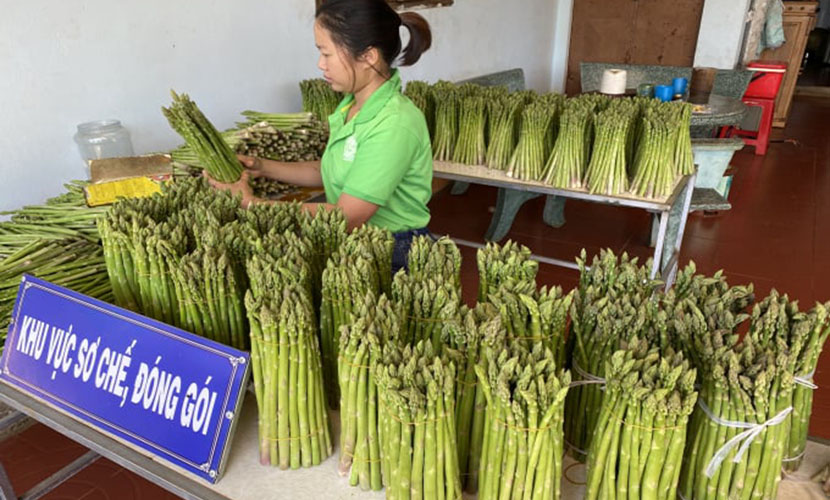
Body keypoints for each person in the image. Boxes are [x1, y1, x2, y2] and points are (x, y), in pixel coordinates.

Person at [207, 0, 434, 273]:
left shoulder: (395, 124)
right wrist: (263, 167)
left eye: (326, 53)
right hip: (354, 242)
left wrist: (252, 204)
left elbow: (348, 216)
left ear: (368, 56)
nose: (320, 64)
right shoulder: (352, 106)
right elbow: (327, 170)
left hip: (391, 251)